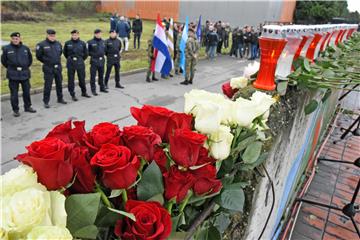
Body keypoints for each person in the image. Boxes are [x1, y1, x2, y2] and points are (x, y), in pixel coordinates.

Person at [1, 32, 36, 117]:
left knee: (27, 92)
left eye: (17, 38)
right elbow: (4, 61)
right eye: (13, 38)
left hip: (24, 74)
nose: (15, 40)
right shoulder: (6, 49)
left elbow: (30, 60)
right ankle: (15, 110)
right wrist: (12, 68)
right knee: (14, 94)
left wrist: (24, 67)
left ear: (20, 39)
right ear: (11, 39)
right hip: (13, 74)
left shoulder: (25, 48)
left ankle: (28, 107)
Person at [36, 29, 66, 108]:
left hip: (58, 67)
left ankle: (60, 98)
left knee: (59, 84)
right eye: (50, 36)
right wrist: (47, 61)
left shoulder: (58, 44)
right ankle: (46, 101)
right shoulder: (41, 44)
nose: (52, 37)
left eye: (53, 36)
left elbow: (60, 53)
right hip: (48, 67)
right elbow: (38, 56)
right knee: (48, 85)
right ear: (47, 35)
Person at [63, 29, 90, 101]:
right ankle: (72, 94)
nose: (74, 36)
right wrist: (70, 59)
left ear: (78, 35)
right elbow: (65, 53)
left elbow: (86, 54)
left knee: (82, 78)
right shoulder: (67, 43)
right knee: (71, 79)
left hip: (80, 62)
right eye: (73, 35)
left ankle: (84, 92)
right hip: (70, 63)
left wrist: (80, 59)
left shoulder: (82, 43)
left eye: (76, 35)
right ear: (71, 35)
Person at [87, 29, 108, 96]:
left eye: (100, 33)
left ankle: (102, 88)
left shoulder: (103, 41)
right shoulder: (90, 42)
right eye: (97, 34)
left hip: (102, 60)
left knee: (101, 75)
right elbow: (87, 52)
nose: (99, 35)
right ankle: (93, 90)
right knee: (93, 76)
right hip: (94, 61)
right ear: (95, 34)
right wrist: (93, 55)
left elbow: (105, 50)